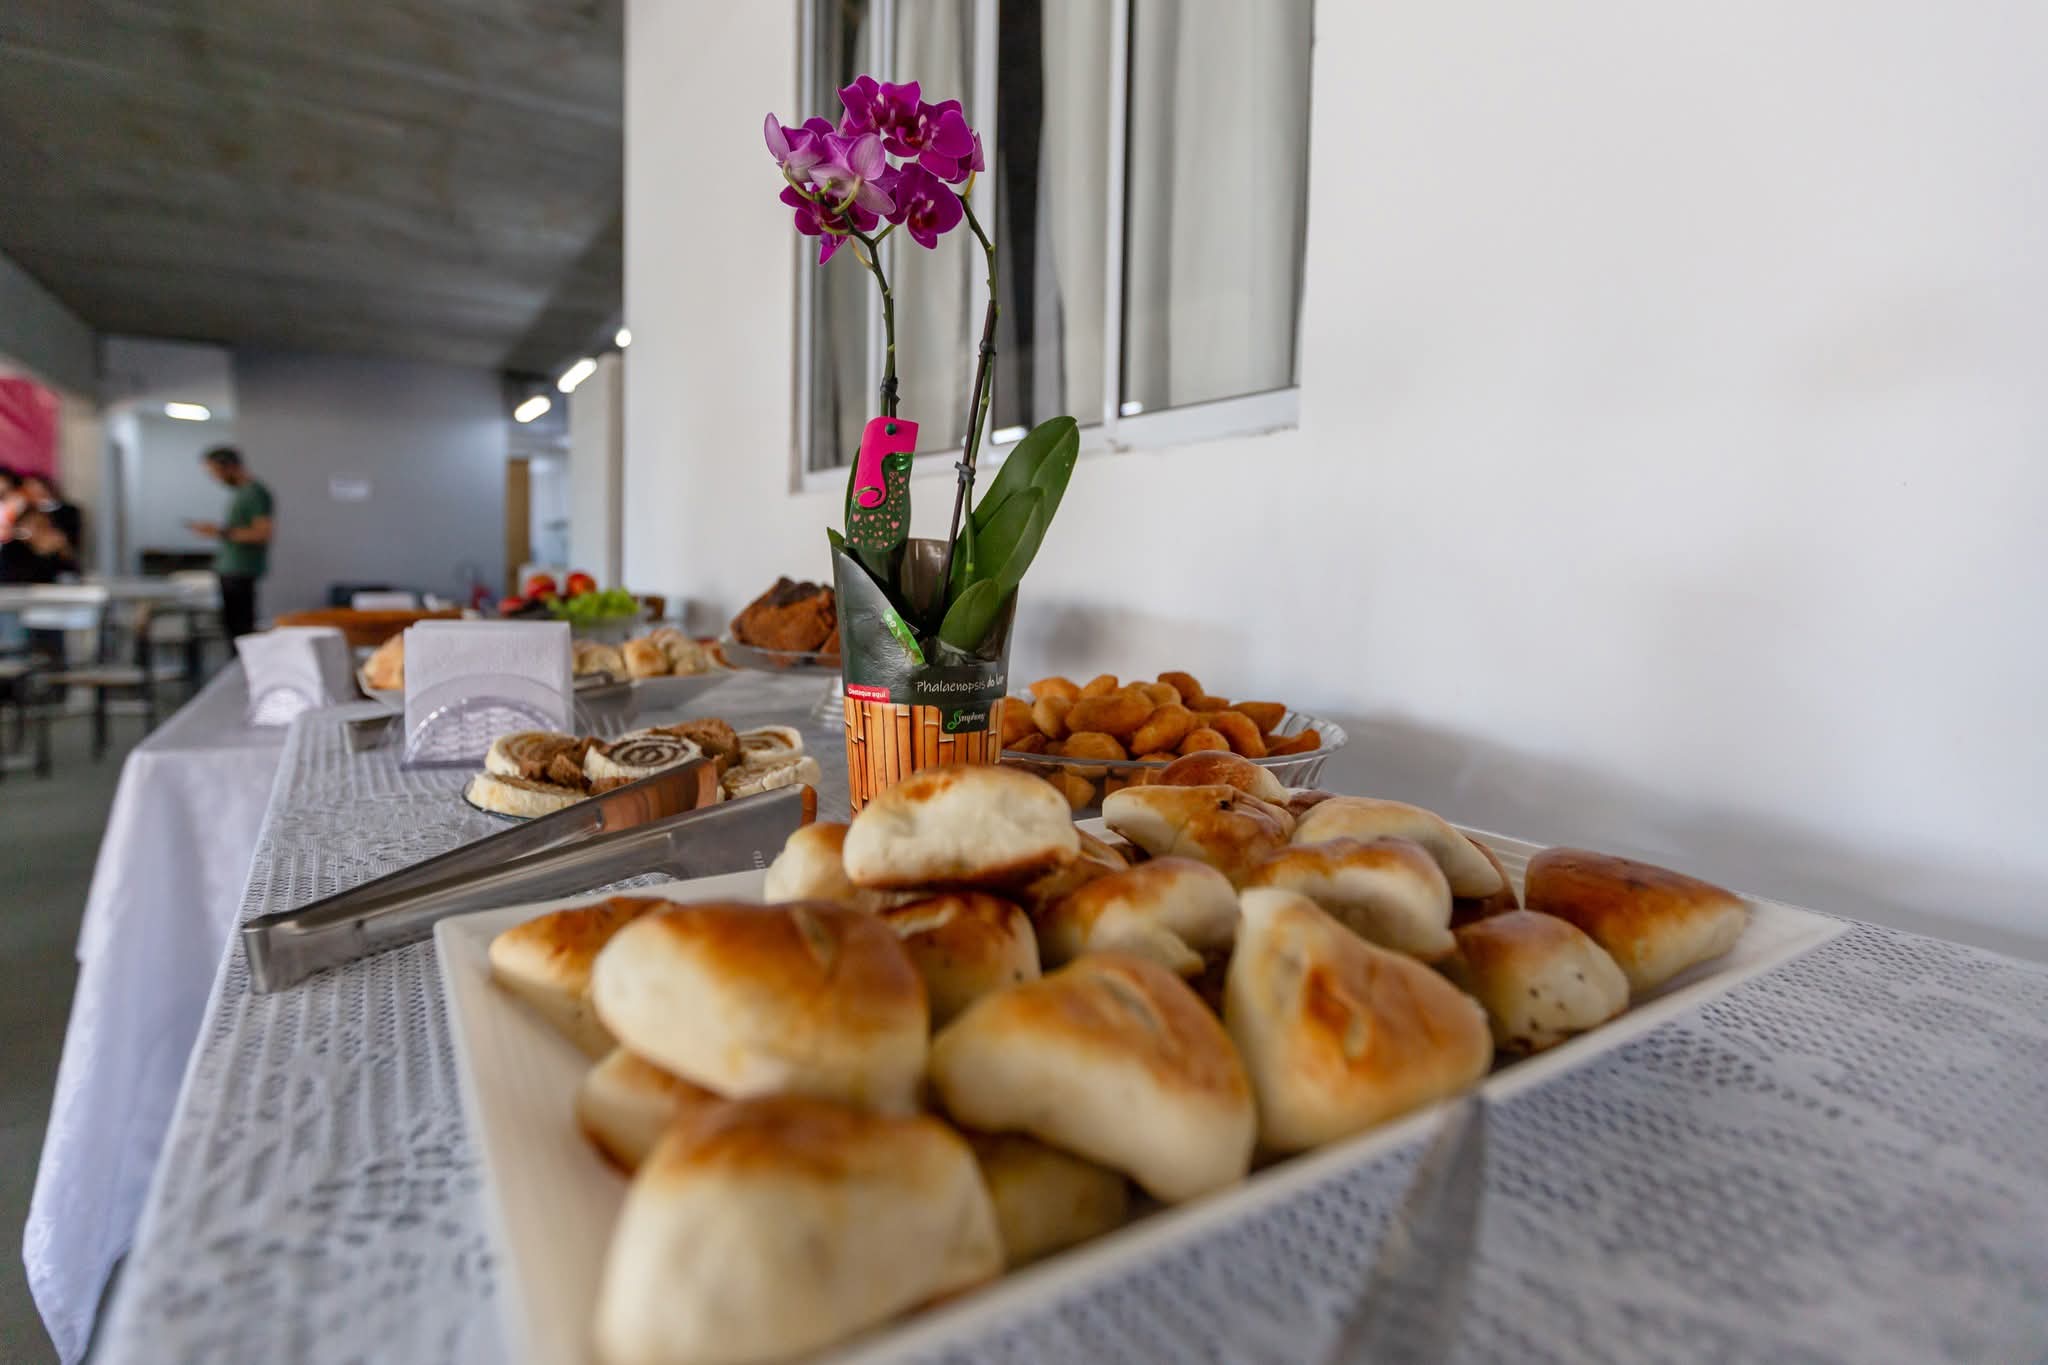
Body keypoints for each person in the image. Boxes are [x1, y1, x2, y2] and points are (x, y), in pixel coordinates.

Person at [187, 446, 273, 639]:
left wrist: (219, 531)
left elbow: (262, 533)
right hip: (231, 569)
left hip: (240, 570)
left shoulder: (254, 493)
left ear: (230, 467)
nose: (215, 477)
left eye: (215, 471)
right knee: (232, 626)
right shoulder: (240, 493)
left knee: (241, 629)